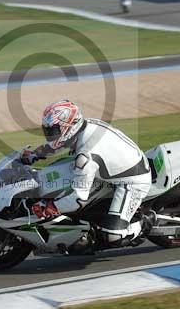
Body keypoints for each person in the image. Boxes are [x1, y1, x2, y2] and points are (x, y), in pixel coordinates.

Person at [21, 100, 154, 248]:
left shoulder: (85, 157)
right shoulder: (86, 125)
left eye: (54, 131)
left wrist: (49, 207)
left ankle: (146, 221)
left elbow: (78, 200)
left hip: (132, 181)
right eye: (48, 130)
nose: (50, 135)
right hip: (118, 168)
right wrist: (35, 154)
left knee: (113, 236)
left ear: (69, 127)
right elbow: (62, 143)